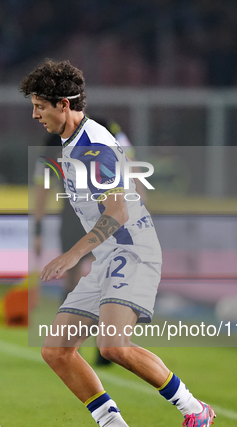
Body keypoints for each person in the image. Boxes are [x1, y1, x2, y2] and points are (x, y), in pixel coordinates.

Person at [20, 60, 215, 427]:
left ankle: (195, 410)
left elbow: (119, 211)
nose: (34, 114)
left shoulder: (94, 146)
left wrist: (73, 253)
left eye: (40, 106)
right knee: (56, 349)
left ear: (62, 103)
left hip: (133, 249)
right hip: (109, 253)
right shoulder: (72, 141)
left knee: (112, 345)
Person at [34, 118, 136, 367]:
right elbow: (42, 188)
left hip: (107, 213)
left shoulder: (107, 130)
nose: (38, 114)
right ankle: (67, 343)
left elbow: (131, 170)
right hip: (73, 216)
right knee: (72, 280)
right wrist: (37, 229)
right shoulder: (51, 141)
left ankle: (108, 346)